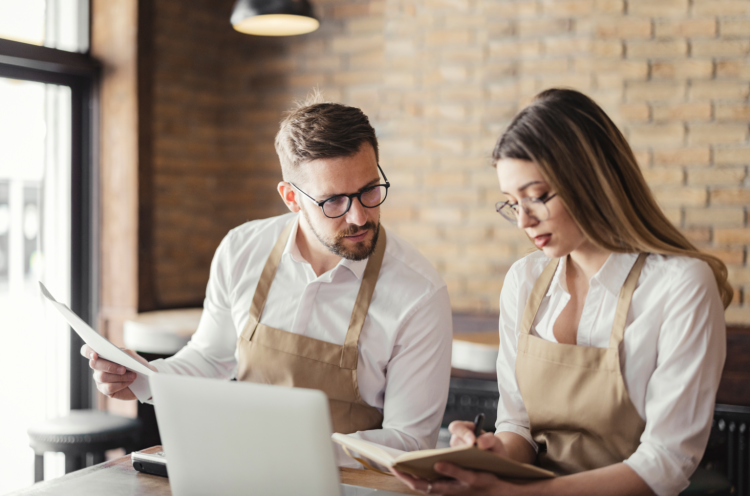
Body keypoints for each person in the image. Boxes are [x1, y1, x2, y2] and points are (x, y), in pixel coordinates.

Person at [81, 95, 453, 466]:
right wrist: (143, 377)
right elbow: (212, 358)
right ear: (291, 198)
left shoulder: (418, 293)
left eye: (370, 190)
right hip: (244, 476)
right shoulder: (242, 249)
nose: (359, 216)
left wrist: (285, 451)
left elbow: (409, 441)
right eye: (334, 201)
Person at [392, 88, 730, 496]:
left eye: (536, 197)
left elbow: (665, 462)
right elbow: (519, 428)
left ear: (590, 180)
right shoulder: (524, 279)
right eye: (511, 203)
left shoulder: (681, 285)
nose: (523, 220)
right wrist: (488, 452)